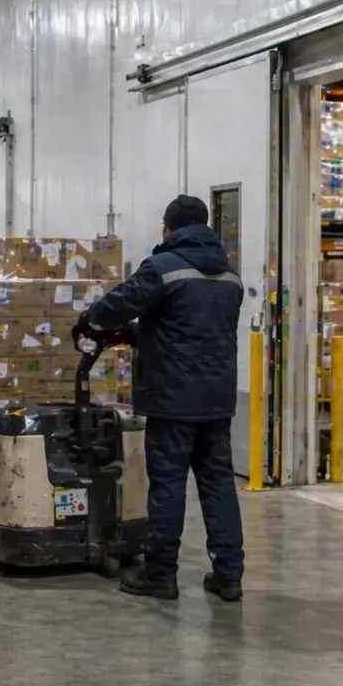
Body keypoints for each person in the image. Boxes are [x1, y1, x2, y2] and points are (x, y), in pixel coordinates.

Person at [73, 195, 246, 601]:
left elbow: (121, 303)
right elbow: (192, 329)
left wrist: (92, 320)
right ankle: (229, 575)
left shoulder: (163, 267)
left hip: (173, 399)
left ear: (168, 229)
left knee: (167, 483)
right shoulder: (230, 275)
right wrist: (137, 335)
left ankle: (161, 573)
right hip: (217, 399)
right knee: (218, 483)